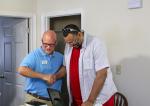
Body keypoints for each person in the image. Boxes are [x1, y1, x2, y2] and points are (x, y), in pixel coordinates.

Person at [61, 24, 117, 106]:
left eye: (72, 42)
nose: (70, 45)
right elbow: (66, 67)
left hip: (98, 100)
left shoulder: (96, 44)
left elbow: (102, 74)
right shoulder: (69, 46)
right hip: (78, 100)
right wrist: (55, 76)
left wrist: (90, 100)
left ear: (79, 34)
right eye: (68, 43)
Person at [17, 30, 64, 106]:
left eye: (51, 45)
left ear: (56, 43)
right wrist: (44, 76)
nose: (48, 47)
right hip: (36, 99)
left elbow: (65, 68)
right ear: (42, 41)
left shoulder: (60, 57)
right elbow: (21, 70)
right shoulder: (34, 55)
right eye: (45, 44)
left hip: (55, 101)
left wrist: (55, 76)